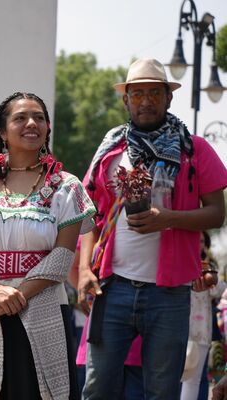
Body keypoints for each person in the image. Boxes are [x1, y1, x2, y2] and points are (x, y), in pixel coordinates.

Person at [78, 58, 227, 399]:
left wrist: (168, 219)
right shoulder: (110, 150)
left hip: (170, 292)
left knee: (161, 392)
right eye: (138, 93)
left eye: (154, 93)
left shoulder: (194, 149)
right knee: (97, 388)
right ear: (126, 100)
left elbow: (217, 214)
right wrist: (85, 268)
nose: (146, 100)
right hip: (112, 288)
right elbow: (88, 214)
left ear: (168, 98)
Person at [0, 92, 95, 399]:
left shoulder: (67, 186)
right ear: (1, 132)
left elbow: (63, 255)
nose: (32, 124)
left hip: (42, 306)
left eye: (39, 117)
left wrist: (16, 295)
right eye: (20, 118)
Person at [181, 231, 225, 400]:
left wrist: (208, 276)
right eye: (195, 240)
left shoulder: (208, 269)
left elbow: (220, 290)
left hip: (200, 332)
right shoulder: (179, 264)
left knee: (193, 381)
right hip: (177, 329)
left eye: (201, 241)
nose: (198, 244)